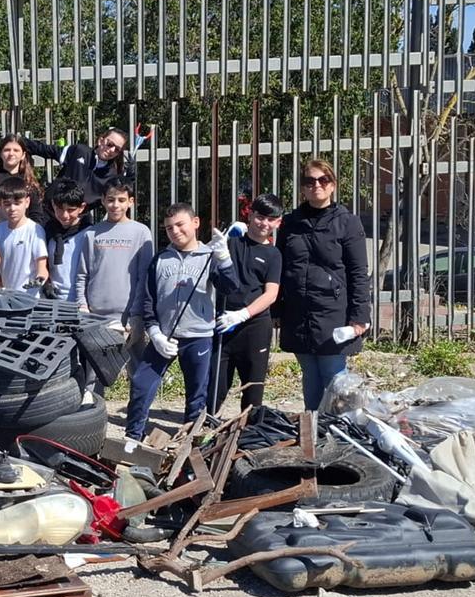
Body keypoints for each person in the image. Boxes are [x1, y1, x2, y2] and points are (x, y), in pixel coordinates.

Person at [124, 204, 240, 443]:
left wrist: (225, 259)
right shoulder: (160, 260)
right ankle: (132, 437)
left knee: (197, 395)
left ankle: (190, 442)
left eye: (180, 225)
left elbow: (231, 288)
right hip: (164, 337)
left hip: (199, 336)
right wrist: (155, 333)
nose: (174, 231)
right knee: (141, 384)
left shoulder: (210, 257)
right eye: (168, 228)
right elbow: (148, 301)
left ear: (195, 223)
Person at [276, 158, 372, 410]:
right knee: (309, 374)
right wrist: (277, 309)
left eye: (323, 180)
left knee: (334, 377)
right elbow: (280, 267)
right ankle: (313, 428)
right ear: (302, 188)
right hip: (298, 312)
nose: (316, 185)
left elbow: (358, 272)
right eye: (309, 181)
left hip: (333, 312)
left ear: (333, 185)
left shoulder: (347, 222)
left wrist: (360, 314)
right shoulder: (290, 223)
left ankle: (338, 433)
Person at [208, 194, 284, 413]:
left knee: (253, 389)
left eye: (271, 219)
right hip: (223, 323)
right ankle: (207, 428)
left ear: (278, 223)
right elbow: (211, 275)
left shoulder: (273, 255)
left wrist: (243, 314)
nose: (264, 223)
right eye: (260, 217)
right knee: (216, 386)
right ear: (250, 215)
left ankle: (249, 432)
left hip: (254, 326)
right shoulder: (231, 243)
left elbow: (271, 294)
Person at [72, 177, 153, 323]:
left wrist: (136, 313)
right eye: (110, 199)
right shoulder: (91, 233)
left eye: (121, 200)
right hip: (93, 315)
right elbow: (82, 274)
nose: (115, 205)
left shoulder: (141, 232)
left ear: (131, 202)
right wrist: (82, 304)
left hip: (129, 317)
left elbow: (144, 277)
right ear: (102, 200)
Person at [22, 127, 135, 212]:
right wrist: (20, 142)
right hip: (51, 209)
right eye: (110, 144)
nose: (111, 150)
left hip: (78, 221)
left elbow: (120, 198)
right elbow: (46, 150)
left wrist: (130, 178)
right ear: (101, 140)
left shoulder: (112, 175)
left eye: (117, 149)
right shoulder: (79, 151)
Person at [0, 178, 48, 292]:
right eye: (7, 204)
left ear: (27, 202)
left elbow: (42, 268)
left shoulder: (35, 230)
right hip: (5, 297)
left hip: (30, 298)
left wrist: (39, 280)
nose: (12, 209)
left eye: (17, 203)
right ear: (0, 204)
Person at [43, 178, 88, 301]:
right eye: (59, 209)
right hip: (53, 299)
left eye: (70, 210)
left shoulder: (88, 234)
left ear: (81, 207)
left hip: (81, 300)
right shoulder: (47, 231)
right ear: (53, 205)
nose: (64, 215)